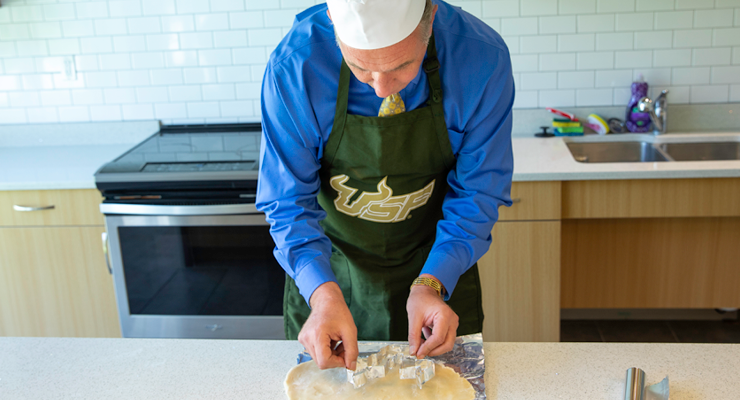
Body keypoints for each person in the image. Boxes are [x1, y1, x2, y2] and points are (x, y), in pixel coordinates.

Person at [257, 0, 514, 371]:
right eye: (359, 67)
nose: (380, 89)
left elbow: (479, 191)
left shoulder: (481, 58)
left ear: (431, 19)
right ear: (332, 21)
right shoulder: (296, 66)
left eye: (402, 66)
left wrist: (432, 283)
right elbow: (287, 201)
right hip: (333, 264)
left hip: (437, 258)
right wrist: (322, 295)